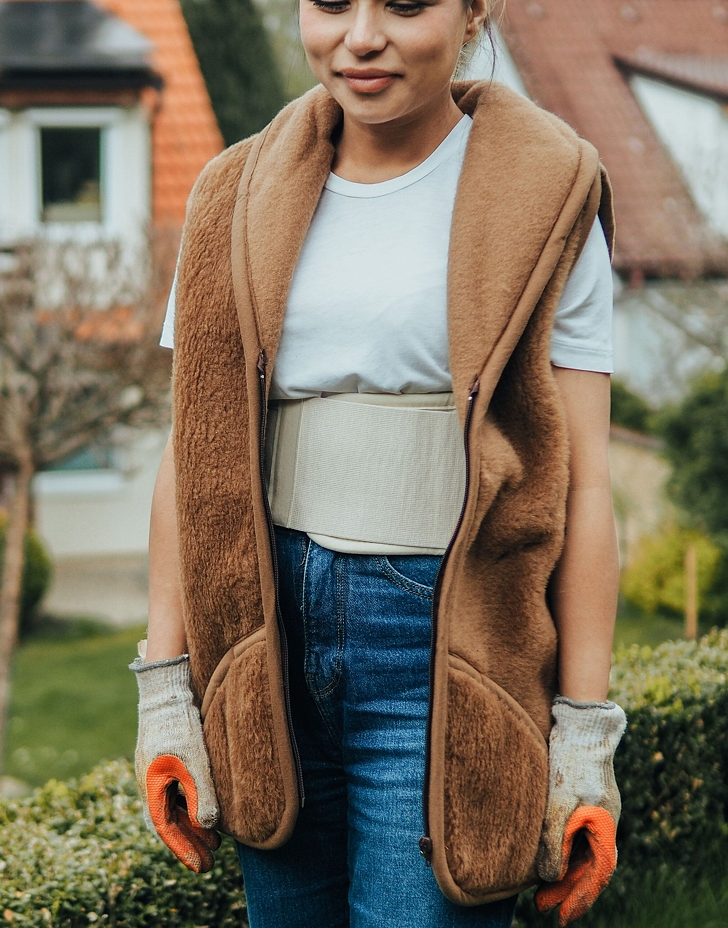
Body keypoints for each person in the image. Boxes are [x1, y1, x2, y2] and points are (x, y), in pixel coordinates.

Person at [130, 0, 627, 925]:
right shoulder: (231, 195)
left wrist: (584, 739)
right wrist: (166, 692)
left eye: (403, 4)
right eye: (330, 3)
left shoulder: (552, 197)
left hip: (444, 645)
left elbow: (587, 485)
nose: (360, 37)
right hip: (265, 638)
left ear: (474, 12)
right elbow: (192, 456)